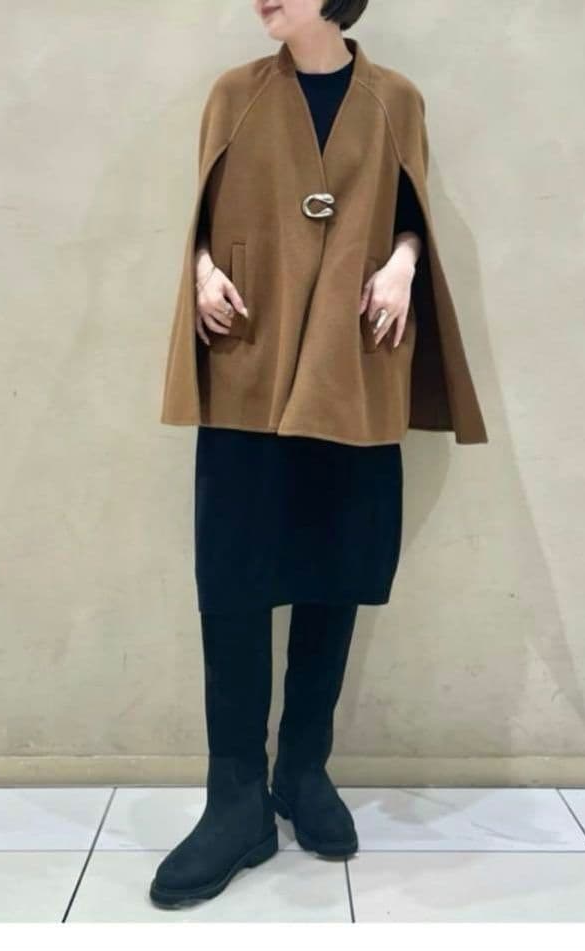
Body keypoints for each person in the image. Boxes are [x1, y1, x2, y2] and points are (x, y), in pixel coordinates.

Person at [151, 0, 479, 908]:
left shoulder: (395, 99)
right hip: (248, 362)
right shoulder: (235, 94)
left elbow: (410, 212)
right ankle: (235, 799)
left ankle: (303, 769)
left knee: (336, 568)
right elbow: (200, 219)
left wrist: (403, 263)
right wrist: (203, 273)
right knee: (234, 577)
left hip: (352, 364)